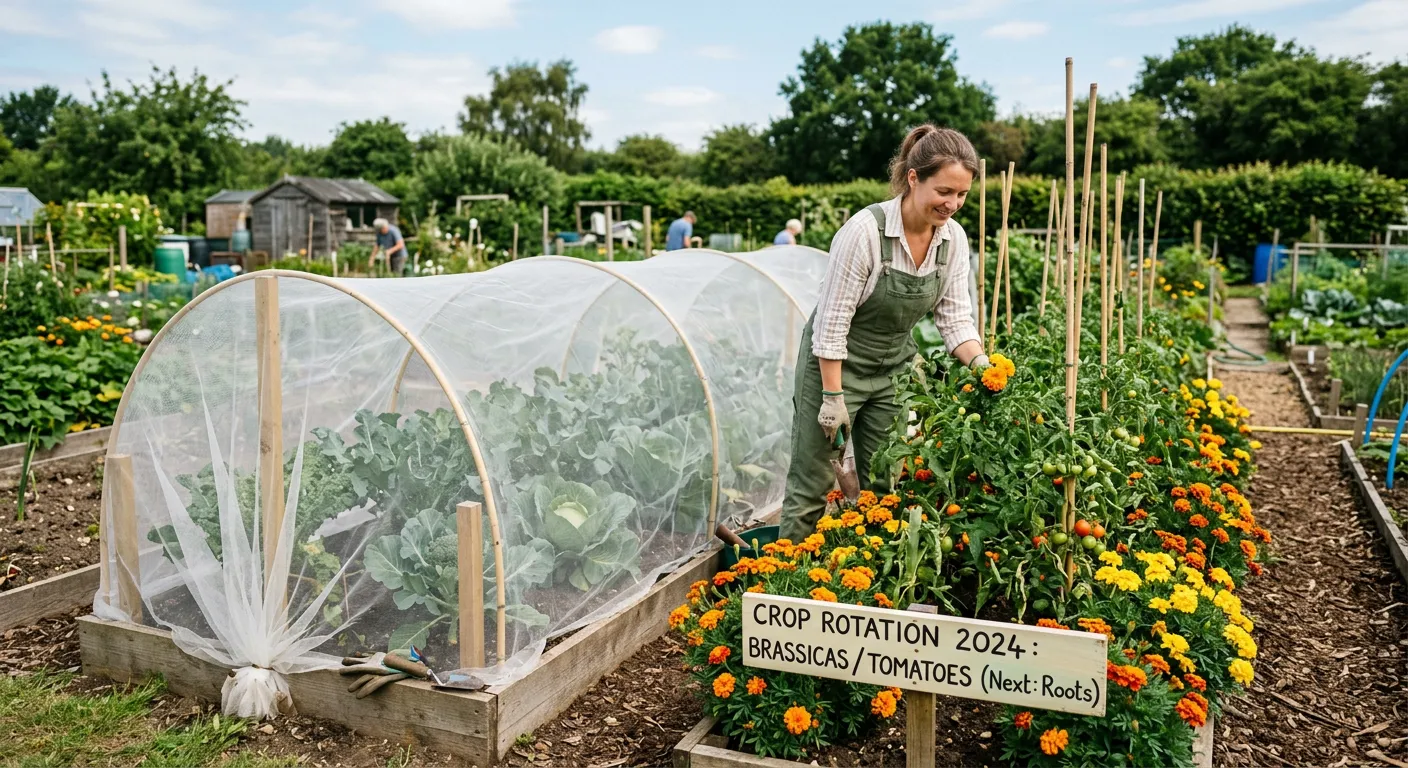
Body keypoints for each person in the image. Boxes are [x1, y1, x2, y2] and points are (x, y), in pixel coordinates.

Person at [780, 124, 988, 542]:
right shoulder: (865, 233)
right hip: (834, 366)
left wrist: (985, 366)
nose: (953, 204)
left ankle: (866, 577)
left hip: (893, 368)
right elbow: (832, 323)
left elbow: (955, 320)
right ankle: (787, 583)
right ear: (914, 178)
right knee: (813, 482)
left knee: (884, 484)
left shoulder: (953, 240)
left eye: (962, 195)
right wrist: (833, 398)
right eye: (944, 191)